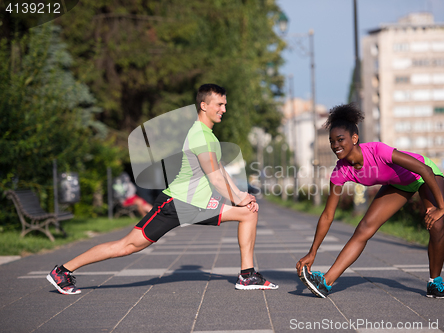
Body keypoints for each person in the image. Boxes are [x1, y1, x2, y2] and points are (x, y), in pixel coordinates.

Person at [47, 84, 278, 295]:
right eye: (220, 104)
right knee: (127, 246)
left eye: (225, 104)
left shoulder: (208, 136)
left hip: (197, 204)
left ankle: (247, 275)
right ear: (204, 105)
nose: (224, 109)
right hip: (176, 204)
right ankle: (63, 271)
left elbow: (220, 169)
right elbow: (215, 178)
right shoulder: (200, 135)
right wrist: (238, 197)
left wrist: (242, 198)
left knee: (249, 213)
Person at [296, 103, 444, 299]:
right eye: (332, 141)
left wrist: (441, 208)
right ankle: (326, 282)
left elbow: (424, 170)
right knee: (364, 229)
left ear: (354, 138)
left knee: (436, 225)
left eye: (340, 139)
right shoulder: (340, 171)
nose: (335, 145)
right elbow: (328, 215)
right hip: (398, 184)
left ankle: (435, 283)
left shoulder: (377, 150)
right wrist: (313, 252)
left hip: (424, 175)